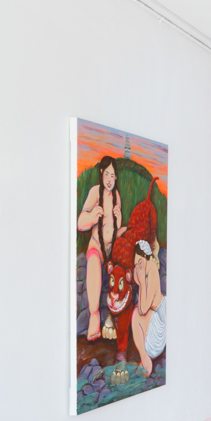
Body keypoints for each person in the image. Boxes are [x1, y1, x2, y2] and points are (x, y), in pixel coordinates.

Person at [76, 156, 126, 341]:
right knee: (93, 261)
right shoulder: (95, 192)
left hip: (111, 247)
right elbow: (80, 222)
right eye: (107, 174)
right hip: (97, 245)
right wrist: (91, 218)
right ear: (101, 173)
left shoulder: (116, 196)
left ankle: (119, 315)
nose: (109, 179)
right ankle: (94, 316)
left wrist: (119, 219)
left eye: (113, 176)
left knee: (127, 234)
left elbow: (115, 226)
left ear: (116, 178)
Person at [129, 240, 165, 376]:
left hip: (157, 334)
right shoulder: (146, 271)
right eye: (135, 265)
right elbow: (142, 306)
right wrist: (140, 280)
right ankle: (144, 358)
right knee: (136, 312)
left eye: (139, 263)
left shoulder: (151, 270)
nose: (137, 268)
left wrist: (142, 282)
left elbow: (143, 309)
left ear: (144, 257)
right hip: (154, 320)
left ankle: (145, 360)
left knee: (136, 315)